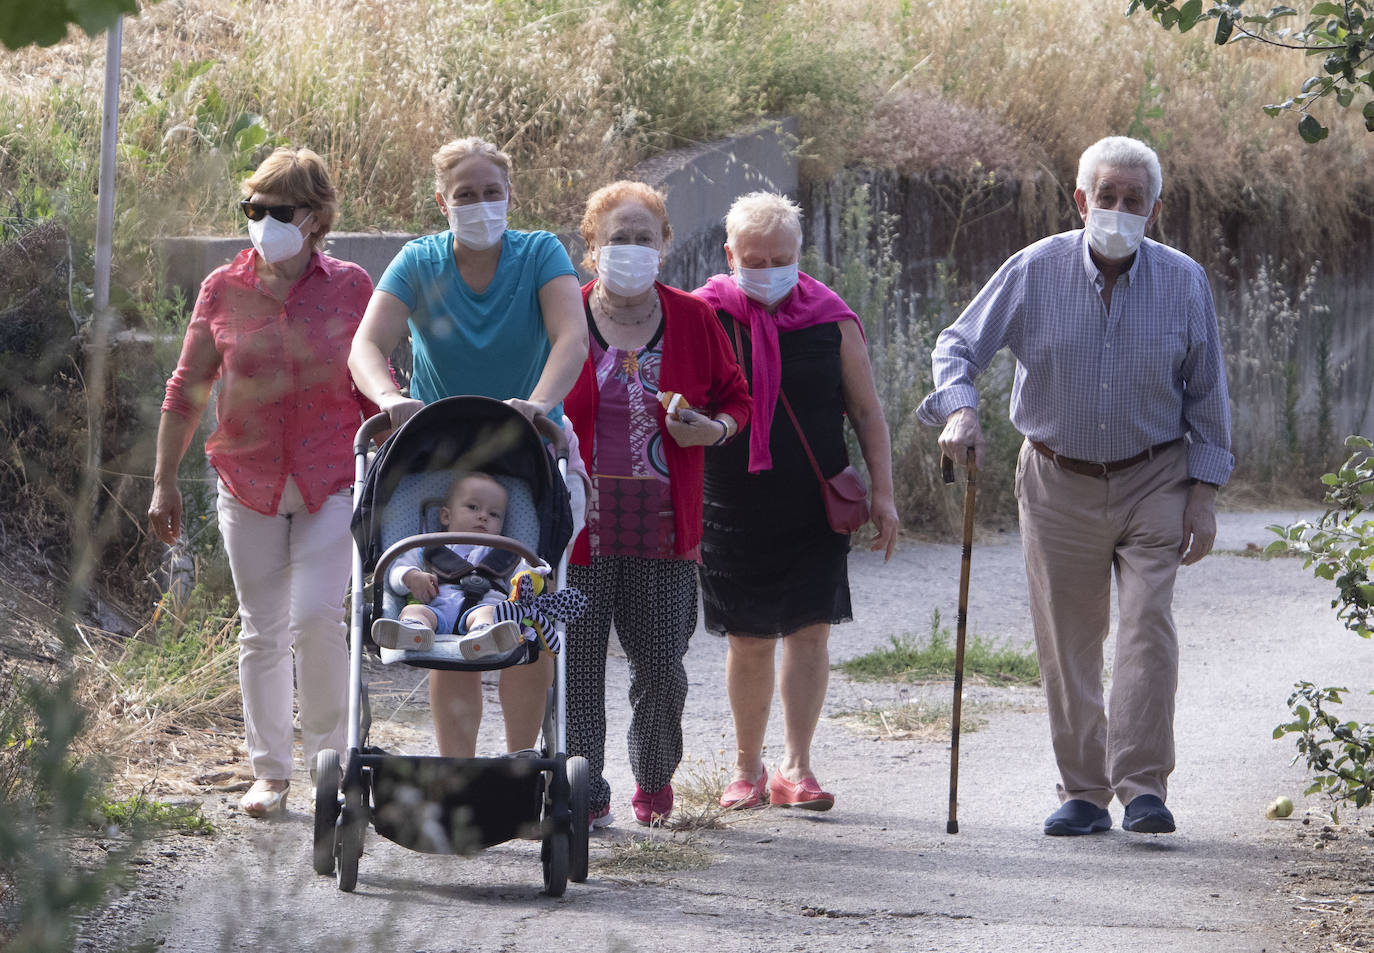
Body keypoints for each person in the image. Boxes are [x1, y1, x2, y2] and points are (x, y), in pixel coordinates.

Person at [916, 135, 1233, 837]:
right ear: (1081, 199)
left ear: (1154, 207)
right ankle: (1085, 791)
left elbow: (1208, 391)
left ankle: (1143, 784)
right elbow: (957, 344)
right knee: (1069, 637)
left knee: (1148, 627)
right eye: (1106, 196)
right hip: (1058, 476)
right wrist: (961, 408)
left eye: (1133, 199)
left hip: (1157, 472)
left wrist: (1204, 492)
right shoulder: (1034, 269)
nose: (1118, 209)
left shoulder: (1184, 281)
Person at [149, 147, 377, 818]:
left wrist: (392, 459)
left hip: (331, 476)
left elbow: (372, 381)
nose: (260, 221)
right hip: (245, 479)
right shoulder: (223, 287)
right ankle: (270, 773)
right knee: (262, 627)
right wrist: (163, 481)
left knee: (315, 617)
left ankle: (330, 763)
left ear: (314, 218)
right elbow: (187, 388)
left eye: (275, 210)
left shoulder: (353, 286)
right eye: (251, 208)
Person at [348, 136, 587, 759]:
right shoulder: (420, 262)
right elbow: (366, 346)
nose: (481, 205)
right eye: (465, 195)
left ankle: (518, 764)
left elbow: (571, 339)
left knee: (525, 616)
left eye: (492, 193)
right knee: (445, 622)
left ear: (510, 196)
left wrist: (538, 402)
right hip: (438, 455)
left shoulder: (539, 254)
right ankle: (457, 770)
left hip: (528, 450)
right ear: (442, 202)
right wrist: (389, 398)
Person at [694, 192, 898, 813]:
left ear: (799, 255)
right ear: (728, 255)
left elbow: (866, 412)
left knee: (810, 634)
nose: (767, 270)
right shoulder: (703, 316)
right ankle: (747, 768)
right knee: (749, 638)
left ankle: (797, 768)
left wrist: (884, 495)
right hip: (729, 502)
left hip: (814, 502)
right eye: (753, 260)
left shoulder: (830, 318)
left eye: (780, 258)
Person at [563, 181, 752, 828]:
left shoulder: (694, 319)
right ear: (591, 248)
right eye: (618, 238)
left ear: (666, 245)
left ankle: (653, 782)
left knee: (663, 668)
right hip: (577, 529)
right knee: (577, 669)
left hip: (666, 532)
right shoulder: (564, 314)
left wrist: (716, 428)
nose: (633, 248)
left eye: (645, 237)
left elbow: (737, 397)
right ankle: (584, 793)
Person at [372, 470, 538, 660]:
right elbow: (395, 572)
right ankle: (413, 632)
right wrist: (411, 577)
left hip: (482, 608)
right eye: (473, 507)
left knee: (490, 613)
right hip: (436, 609)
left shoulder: (506, 552)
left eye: (494, 514)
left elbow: (522, 582)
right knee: (414, 611)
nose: (484, 516)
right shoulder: (428, 547)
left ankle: (484, 636)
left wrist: (530, 581)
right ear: (445, 516)